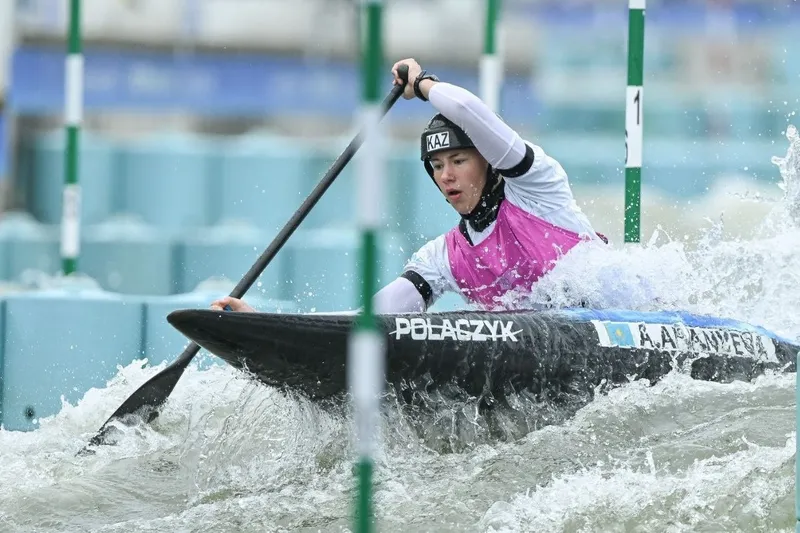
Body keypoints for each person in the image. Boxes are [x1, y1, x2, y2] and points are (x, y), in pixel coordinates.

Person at [212, 58, 605, 315]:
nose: (446, 175)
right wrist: (267, 323)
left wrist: (422, 84)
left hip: (610, 316)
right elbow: (372, 321)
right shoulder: (443, 257)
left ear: (487, 161)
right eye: (436, 166)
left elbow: (467, 111)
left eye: (458, 161)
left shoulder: (538, 187)